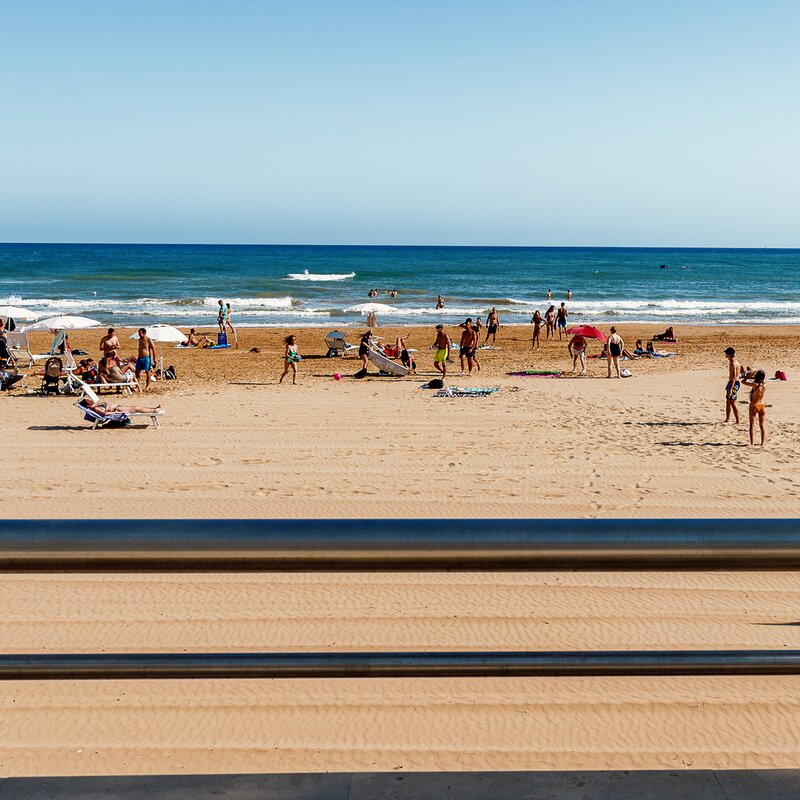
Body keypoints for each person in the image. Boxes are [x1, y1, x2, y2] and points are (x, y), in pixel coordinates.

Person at [742, 369, 767, 446]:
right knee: (762, 425)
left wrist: (749, 376)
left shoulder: (755, 385)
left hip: (754, 405)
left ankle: (752, 443)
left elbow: (743, 382)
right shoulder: (765, 385)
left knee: (752, 425)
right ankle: (762, 443)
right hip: (761, 405)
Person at [81, 396, 162, 416]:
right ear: (88, 405)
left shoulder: (95, 405)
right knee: (137, 408)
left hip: (118, 407)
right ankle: (154, 411)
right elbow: (105, 414)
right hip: (117, 409)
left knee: (137, 407)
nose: (91, 401)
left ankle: (154, 409)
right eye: (90, 401)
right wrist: (115, 413)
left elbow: (96, 401)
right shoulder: (96, 409)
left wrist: (94, 404)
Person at [724, 346, 741, 424]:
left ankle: (738, 420)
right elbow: (742, 369)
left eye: (726, 353)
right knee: (728, 401)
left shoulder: (733, 363)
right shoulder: (736, 361)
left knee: (732, 402)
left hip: (733, 383)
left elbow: (734, 377)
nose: (725, 355)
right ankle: (727, 418)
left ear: (730, 354)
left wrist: (731, 388)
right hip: (732, 383)